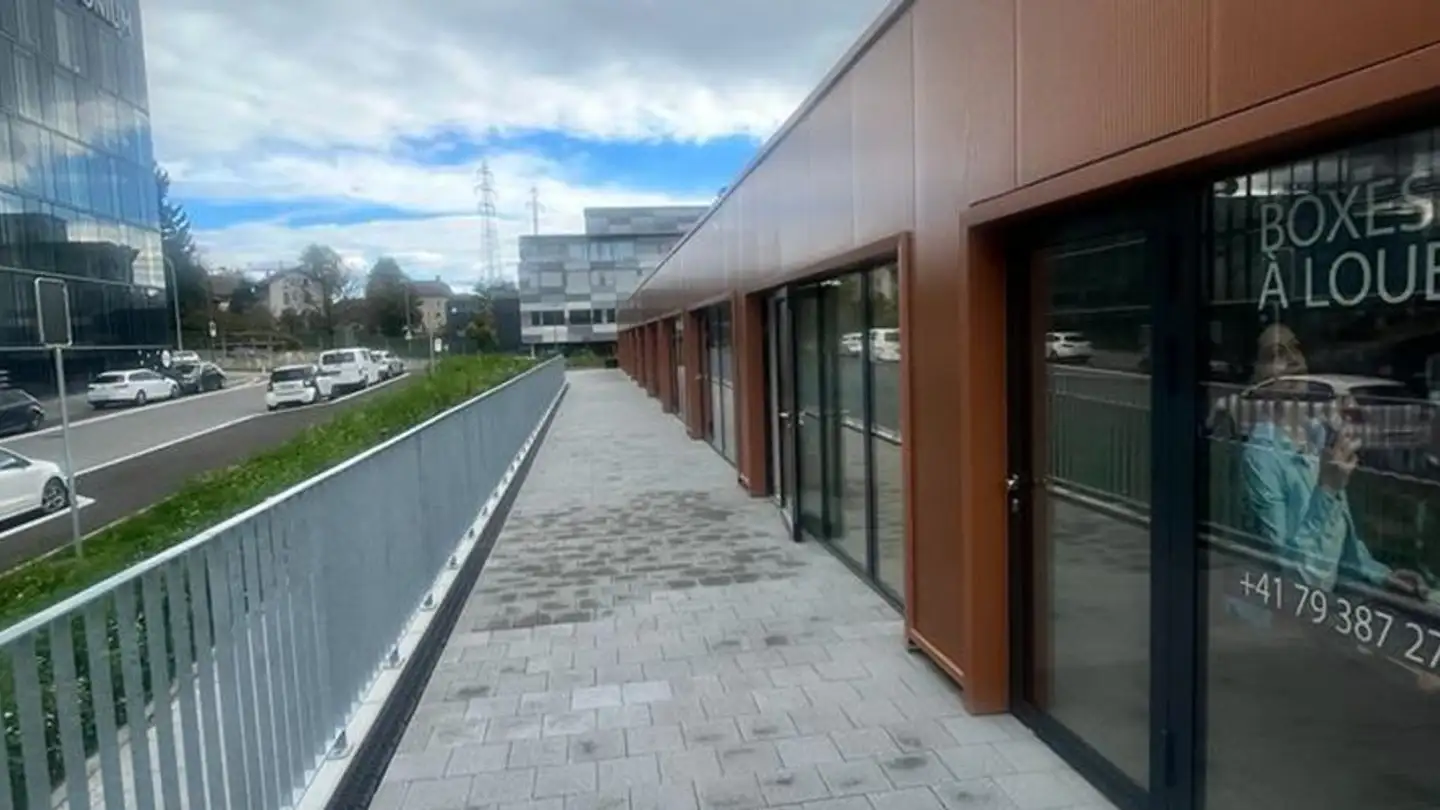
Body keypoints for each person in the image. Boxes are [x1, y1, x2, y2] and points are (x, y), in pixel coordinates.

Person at [1240, 323, 1427, 598]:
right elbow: (1297, 583)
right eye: (1276, 354)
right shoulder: (1260, 456)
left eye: (1296, 349)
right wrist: (1327, 489)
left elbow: (1341, 546)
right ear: (1255, 376)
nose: (1294, 360)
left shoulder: (1318, 434)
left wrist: (1382, 576)